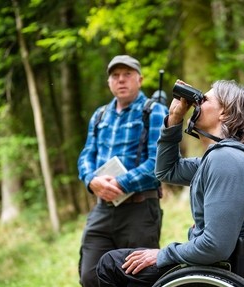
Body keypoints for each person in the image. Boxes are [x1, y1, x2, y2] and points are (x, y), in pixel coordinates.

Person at [96, 80, 244, 286]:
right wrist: (174, 119)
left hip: (226, 269)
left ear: (224, 113)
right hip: (227, 264)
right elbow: (167, 171)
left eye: (205, 99)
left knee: (111, 264)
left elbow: (215, 246)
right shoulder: (217, 159)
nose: (197, 103)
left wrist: (162, 254)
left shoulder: (226, 160)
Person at [77, 55, 169, 287]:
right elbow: (86, 156)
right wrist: (92, 181)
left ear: (140, 79)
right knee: (90, 276)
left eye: (127, 75)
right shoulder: (99, 116)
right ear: (109, 82)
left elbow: (158, 162)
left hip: (140, 210)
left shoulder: (154, 111)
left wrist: (121, 183)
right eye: (115, 76)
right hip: (103, 209)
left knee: (137, 277)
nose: (121, 80)